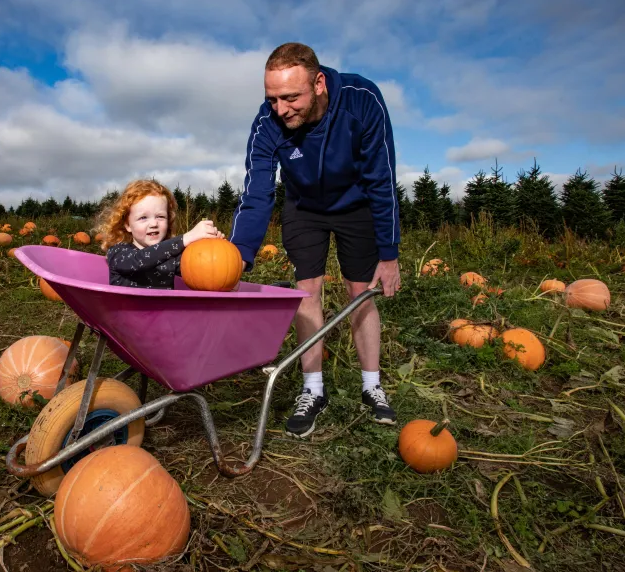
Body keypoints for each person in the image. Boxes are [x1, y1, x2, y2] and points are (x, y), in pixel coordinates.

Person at [229, 42, 402, 439]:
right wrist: (239, 258)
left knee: (359, 291)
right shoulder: (267, 122)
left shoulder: (362, 101)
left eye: (291, 97)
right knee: (306, 291)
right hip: (304, 207)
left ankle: (372, 385)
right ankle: (313, 390)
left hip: (356, 205)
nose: (281, 109)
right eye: (272, 98)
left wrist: (389, 253)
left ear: (319, 83)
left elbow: (381, 179)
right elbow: (256, 192)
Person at [97, 179, 225, 288]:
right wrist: (185, 238)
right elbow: (139, 260)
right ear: (127, 225)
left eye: (160, 216)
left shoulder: (171, 258)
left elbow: (202, 272)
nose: (153, 224)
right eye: (143, 218)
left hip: (162, 317)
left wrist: (216, 250)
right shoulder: (119, 252)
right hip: (123, 316)